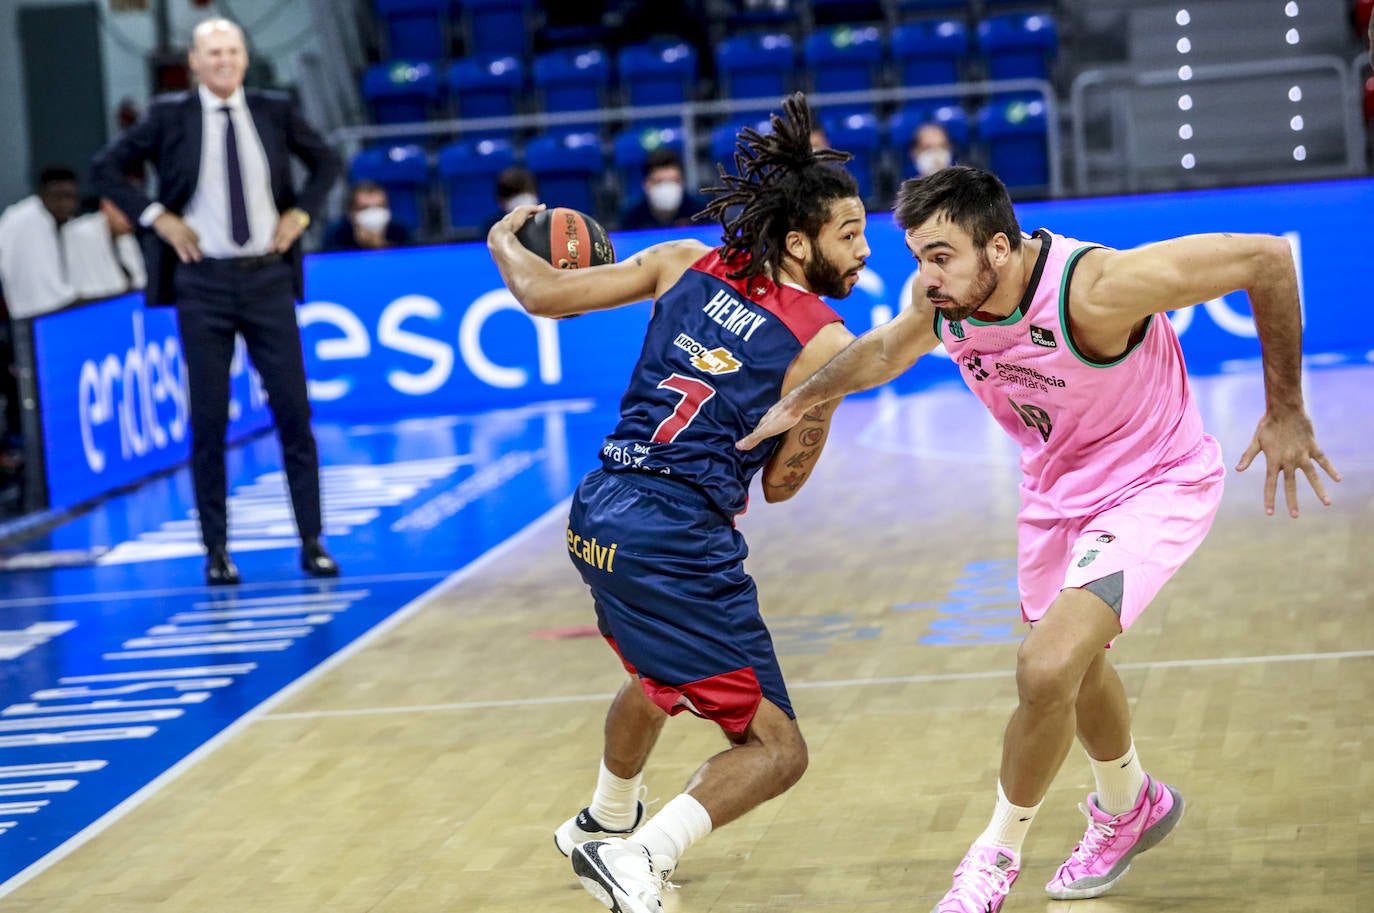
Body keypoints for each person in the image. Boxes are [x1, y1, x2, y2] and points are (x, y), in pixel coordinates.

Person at [738, 165, 1340, 913]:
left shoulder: (1094, 289)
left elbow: (1266, 259)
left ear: (998, 247)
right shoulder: (945, 300)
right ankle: (1130, 804)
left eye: (940, 255)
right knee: (1079, 670)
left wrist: (1285, 408)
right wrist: (793, 404)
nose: (925, 276)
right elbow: (885, 351)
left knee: (1046, 664)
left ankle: (993, 856)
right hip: (1056, 495)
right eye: (919, 256)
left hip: (1155, 481)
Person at [488, 93, 869, 913]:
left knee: (656, 675)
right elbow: (778, 484)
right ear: (799, 242)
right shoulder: (825, 341)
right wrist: (818, 406)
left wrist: (499, 239)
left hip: (597, 511)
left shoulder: (682, 259)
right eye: (851, 235)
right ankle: (639, 855)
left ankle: (603, 817)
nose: (866, 251)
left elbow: (542, 294)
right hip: (677, 534)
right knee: (777, 748)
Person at [92, 17, 342, 586]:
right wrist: (157, 218)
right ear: (195, 62)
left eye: (233, 50)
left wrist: (300, 213)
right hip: (201, 282)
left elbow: (327, 162)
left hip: (266, 278)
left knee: (293, 413)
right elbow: (104, 169)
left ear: (245, 58)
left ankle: (312, 540)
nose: (225, 60)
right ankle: (216, 550)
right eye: (214, 52)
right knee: (208, 420)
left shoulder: (274, 110)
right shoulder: (169, 116)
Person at [0, 165, 81, 320]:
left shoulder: (64, 223)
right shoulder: (24, 221)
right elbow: (44, 298)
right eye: (58, 196)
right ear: (42, 195)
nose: (64, 204)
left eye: (70, 197)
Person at [62, 197, 148, 300]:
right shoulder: (82, 233)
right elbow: (99, 292)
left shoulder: (125, 237)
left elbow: (140, 281)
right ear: (106, 206)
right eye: (128, 210)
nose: (132, 218)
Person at [618, 147, 708, 231]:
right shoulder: (631, 216)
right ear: (646, 184)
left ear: (682, 182)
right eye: (659, 181)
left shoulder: (700, 211)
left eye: (673, 181)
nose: (667, 188)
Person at [322, 180, 412, 251]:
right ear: (351, 212)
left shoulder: (400, 232)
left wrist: (382, 245)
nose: (373, 213)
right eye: (365, 208)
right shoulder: (336, 234)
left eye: (379, 206)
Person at [479, 165, 539, 236]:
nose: (524, 199)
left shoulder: (549, 221)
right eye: (515, 194)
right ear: (500, 201)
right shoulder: (491, 227)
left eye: (528, 192)